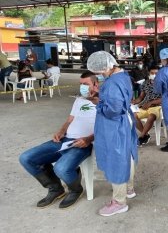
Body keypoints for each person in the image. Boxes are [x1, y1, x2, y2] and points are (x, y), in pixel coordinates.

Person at [19, 71, 98, 209]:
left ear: (96, 84)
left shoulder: (106, 102)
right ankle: (55, 188)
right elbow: (69, 120)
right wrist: (61, 131)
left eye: (86, 84)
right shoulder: (79, 99)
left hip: (83, 143)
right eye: (81, 84)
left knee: (60, 168)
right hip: (64, 140)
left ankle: (75, 189)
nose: (82, 87)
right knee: (26, 158)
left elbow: (107, 128)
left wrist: (88, 139)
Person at [86, 51, 138, 216]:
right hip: (124, 121)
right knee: (127, 155)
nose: (101, 75)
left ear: (108, 66)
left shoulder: (112, 83)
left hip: (115, 124)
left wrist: (98, 103)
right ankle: (129, 188)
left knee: (116, 159)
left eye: (101, 72)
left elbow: (113, 109)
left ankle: (119, 202)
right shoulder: (122, 76)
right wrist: (102, 95)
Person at [132, 65, 162, 146]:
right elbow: (141, 97)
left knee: (151, 116)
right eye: (152, 73)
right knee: (133, 115)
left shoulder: (163, 83)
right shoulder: (145, 83)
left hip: (157, 106)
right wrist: (134, 101)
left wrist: (151, 103)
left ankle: (141, 137)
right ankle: (146, 135)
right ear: (149, 73)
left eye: (156, 73)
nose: (154, 75)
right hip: (144, 105)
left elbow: (165, 98)